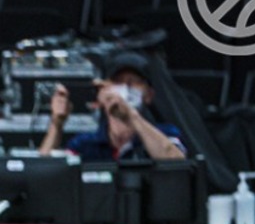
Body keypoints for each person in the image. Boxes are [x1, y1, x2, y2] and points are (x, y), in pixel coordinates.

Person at [39, 52, 186, 161]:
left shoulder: (165, 134)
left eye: (134, 82)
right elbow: (43, 174)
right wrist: (56, 124)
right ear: (102, 90)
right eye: (118, 82)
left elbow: (177, 163)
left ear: (149, 95)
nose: (125, 87)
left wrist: (131, 116)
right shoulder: (86, 143)